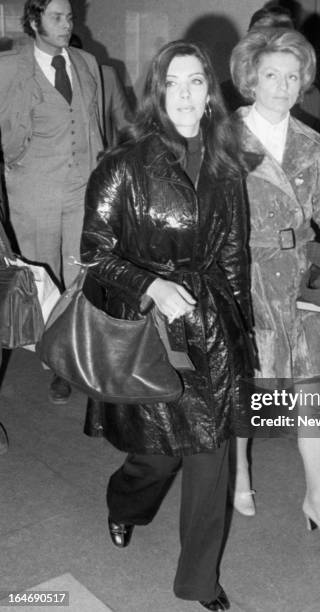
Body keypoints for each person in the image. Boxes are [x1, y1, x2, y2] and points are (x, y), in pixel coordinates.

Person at [81, 41, 253, 611]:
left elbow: (233, 257)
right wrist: (151, 285)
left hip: (211, 330)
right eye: (173, 83)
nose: (185, 94)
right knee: (157, 453)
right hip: (151, 328)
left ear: (210, 94)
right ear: (158, 94)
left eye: (196, 82)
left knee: (210, 454)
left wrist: (242, 332)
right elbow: (93, 254)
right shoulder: (122, 166)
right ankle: (125, 505)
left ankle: (198, 582)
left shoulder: (227, 168)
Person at [230, 28, 320, 545]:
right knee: (249, 386)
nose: (283, 85)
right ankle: (240, 471)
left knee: (314, 387)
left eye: (293, 76)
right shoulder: (225, 139)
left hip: (304, 276)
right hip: (245, 275)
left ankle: (318, 500)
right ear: (251, 78)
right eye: (272, 74)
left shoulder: (310, 141)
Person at [0, 0, 104, 404]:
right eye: (57, 17)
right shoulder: (8, 67)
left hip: (82, 185)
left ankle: (78, 353)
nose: (67, 24)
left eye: (70, 17)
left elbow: (95, 125)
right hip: (34, 188)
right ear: (34, 21)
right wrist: (15, 160)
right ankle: (54, 363)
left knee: (82, 271)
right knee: (42, 276)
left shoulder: (86, 62)